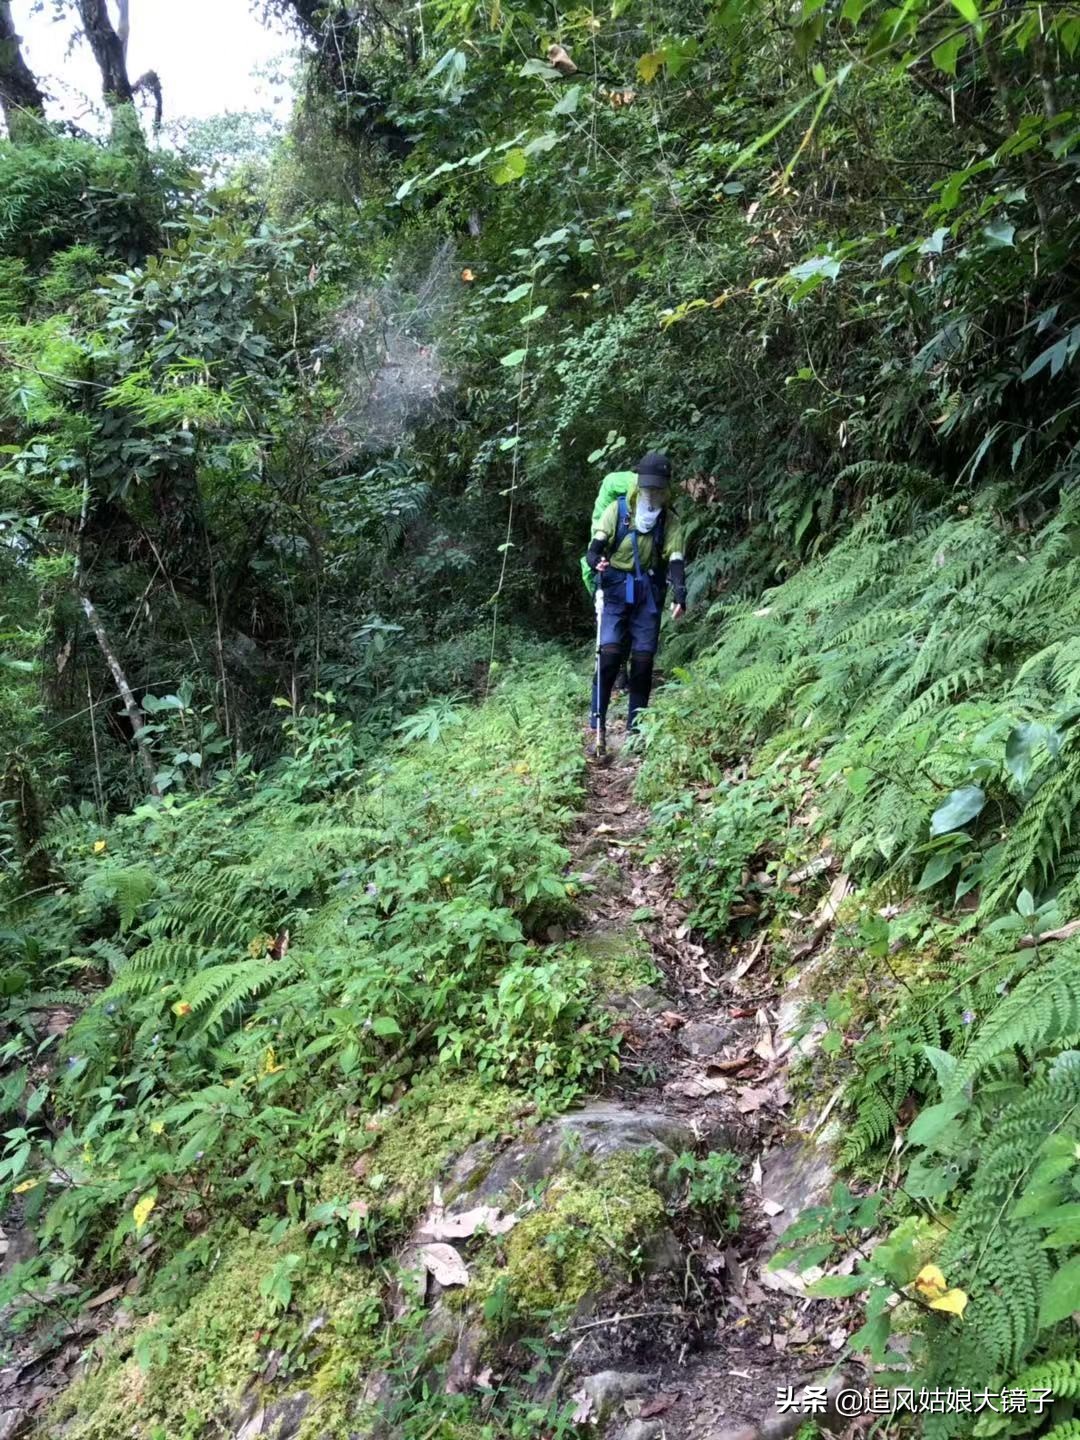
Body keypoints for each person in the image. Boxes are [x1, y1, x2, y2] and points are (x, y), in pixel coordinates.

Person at [585, 450, 687, 745]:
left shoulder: (669, 521)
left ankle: (636, 731)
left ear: (665, 489)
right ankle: (597, 723)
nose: (652, 494)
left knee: (643, 661)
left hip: (648, 593)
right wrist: (595, 560)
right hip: (615, 588)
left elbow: (675, 558)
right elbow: (595, 547)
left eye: (658, 488)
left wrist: (680, 593)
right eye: (648, 488)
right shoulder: (617, 511)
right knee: (609, 654)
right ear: (640, 486)